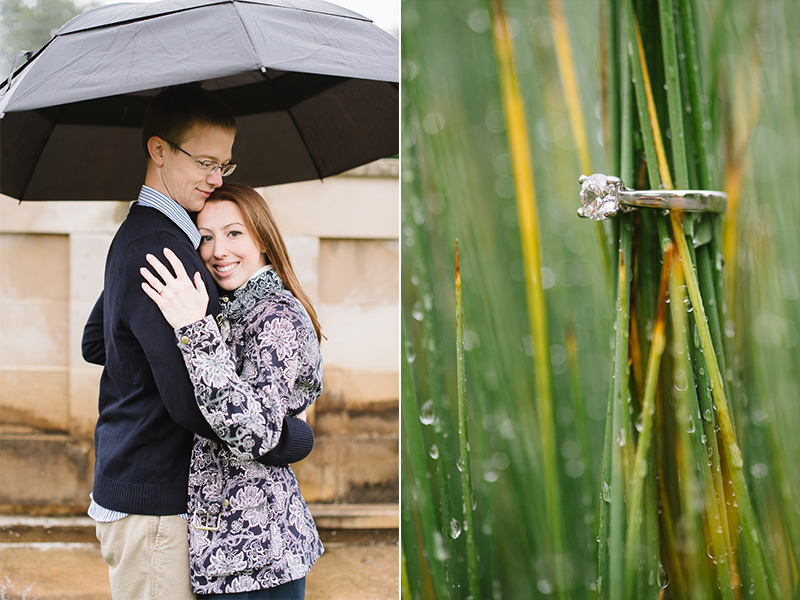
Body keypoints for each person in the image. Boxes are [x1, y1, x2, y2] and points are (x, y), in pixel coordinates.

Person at [81, 85, 313, 600]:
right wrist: (294, 438)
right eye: (205, 161)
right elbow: (191, 404)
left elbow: (97, 342)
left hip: (143, 486)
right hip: (157, 500)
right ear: (159, 150)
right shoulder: (163, 249)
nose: (215, 178)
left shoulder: (143, 236)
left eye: (224, 166)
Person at [139, 182, 323, 598]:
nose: (218, 250)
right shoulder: (230, 310)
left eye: (234, 233)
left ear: (263, 238)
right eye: (205, 237)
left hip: (260, 555)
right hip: (225, 551)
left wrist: (194, 330)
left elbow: (254, 432)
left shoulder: (276, 317)